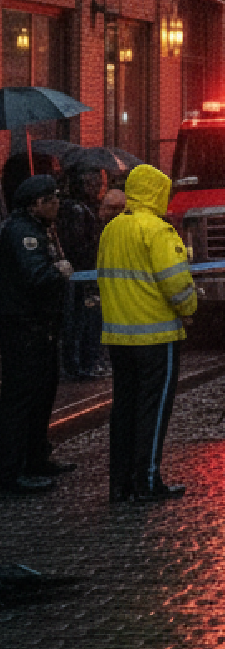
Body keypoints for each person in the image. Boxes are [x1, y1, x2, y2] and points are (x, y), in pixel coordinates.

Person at [97, 165, 198, 502]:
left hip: (119, 337)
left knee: (124, 408)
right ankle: (147, 481)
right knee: (153, 411)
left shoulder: (112, 230)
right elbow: (175, 284)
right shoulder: (158, 231)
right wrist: (189, 310)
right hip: (157, 337)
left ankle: (119, 483)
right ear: (156, 192)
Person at [0, 175, 76, 495]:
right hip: (24, 328)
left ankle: (36, 458)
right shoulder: (21, 232)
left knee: (43, 395)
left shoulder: (39, 228)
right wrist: (57, 270)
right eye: (52, 199)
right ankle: (11, 471)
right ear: (36, 204)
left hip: (41, 327)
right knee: (21, 400)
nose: (57, 204)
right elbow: (34, 276)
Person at [57, 168, 107, 380]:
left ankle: (81, 363)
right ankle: (79, 364)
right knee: (81, 321)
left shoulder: (82, 208)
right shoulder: (78, 210)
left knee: (83, 320)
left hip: (83, 273)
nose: (97, 188)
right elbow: (80, 245)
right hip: (82, 274)